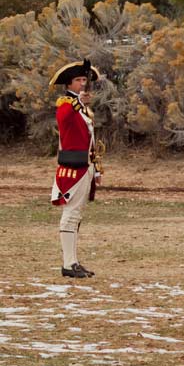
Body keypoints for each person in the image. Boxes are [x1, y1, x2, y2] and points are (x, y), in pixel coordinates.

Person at [50, 60, 103, 278]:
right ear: (69, 84)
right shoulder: (65, 104)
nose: (83, 84)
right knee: (70, 214)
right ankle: (68, 263)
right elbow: (63, 120)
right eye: (78, 80)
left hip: (85, 165)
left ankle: (73, 261)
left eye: (84, 80)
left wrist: (97, 169)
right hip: (73, 167)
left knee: (76, 214)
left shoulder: (82, 108)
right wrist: (77, 103)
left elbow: (89, 140)